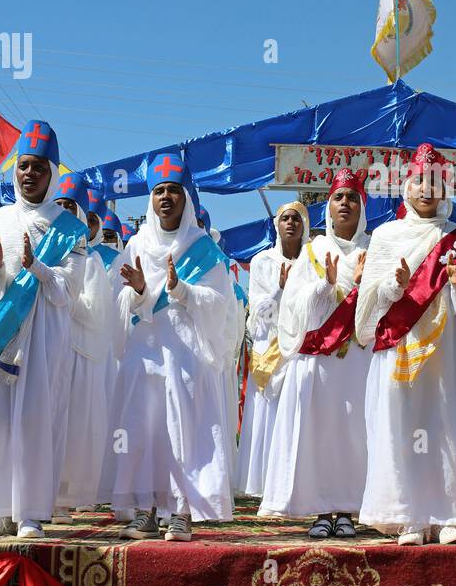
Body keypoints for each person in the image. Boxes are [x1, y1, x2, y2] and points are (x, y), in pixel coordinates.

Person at [356, 143, 456, 545]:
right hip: (401, 345)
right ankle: (410, 516)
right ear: (406, 186)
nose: (426, 189)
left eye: (435, 182)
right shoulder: (386, 236)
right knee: (405, 427)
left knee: (448, 426)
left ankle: (450, 513)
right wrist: (395, 285)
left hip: (449, 352)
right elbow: (370, 300)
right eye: (419, 180)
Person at [0, 121, 87, 539]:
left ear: (52, 173)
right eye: (23, 166)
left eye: (38, 167)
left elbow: (69, 290)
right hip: (3, 328)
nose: (29, 174)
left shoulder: (69, 227)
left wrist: (36, 266)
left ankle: (30, 513)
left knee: (36, 418)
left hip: (45, 332)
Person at [112, 153, 237, 540]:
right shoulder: (136, 243)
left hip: (186, 352)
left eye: (173, 191)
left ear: (185, 197)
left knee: (184, 428)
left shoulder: (203, 248)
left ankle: (182, 510)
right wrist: (135, 292)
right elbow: (120, 304)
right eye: (158, 191)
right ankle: (146, 510)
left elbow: (222, 305)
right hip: (145, 352)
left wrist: (182, 290)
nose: (165, 197)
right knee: (144, 429)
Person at [262, 169, 372, 536]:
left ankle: (348, 509)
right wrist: (325, 287)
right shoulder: (313, 251)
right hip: (321, 359)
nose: (345, 204)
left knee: (355, 433)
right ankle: (321, 511)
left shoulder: (375, 250)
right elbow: (292, 310)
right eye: (339, 197)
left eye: (352, 198)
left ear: (362, 207)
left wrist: (364, 287)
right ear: (329, 206)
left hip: (358, 360)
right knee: (321, 433)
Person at [51, 173, 117, 516]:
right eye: (57, 205)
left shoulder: (90, 261)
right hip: (44, 349)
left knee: (71, 428)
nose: (62, 212)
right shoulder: (42, 250)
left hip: (75, 354)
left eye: (69, 207)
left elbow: (93, 313)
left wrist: (56, 290)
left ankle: (63, 496)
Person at [235, 201, 308, 498]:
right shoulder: (263, 260)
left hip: (302, 345)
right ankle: (265, 483)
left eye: (296, 219)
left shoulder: (314, 259)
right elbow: (257, 310)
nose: (290, 223)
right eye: (284, 218)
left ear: (304, 225)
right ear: (276, 225)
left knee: (300, 411)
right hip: (270, 346)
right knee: (268, 414)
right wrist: (280, 289)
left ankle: (298, 482)